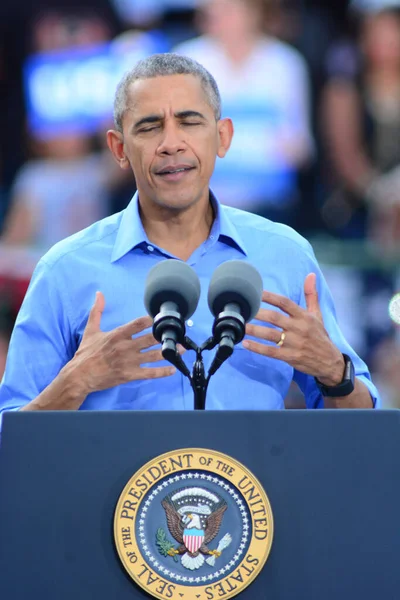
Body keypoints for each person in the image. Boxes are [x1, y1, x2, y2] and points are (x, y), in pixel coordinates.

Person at [0, 53, 379, 420]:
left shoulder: (286, 255)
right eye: (149, 126)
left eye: (189, 121)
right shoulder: (64, 270)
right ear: (118, 149)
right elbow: (11, 441)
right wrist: (75, 382)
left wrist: (334, 370)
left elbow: (362, 436)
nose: (171, 142)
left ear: (223, 137)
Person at [173, 0, 314, 226]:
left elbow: (299, 147)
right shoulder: (185, 61)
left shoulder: (285, 64)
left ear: (254, 12)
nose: (218, 17)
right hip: (199, 210)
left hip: (271, 210)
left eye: (229, 10)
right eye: (212, 10)